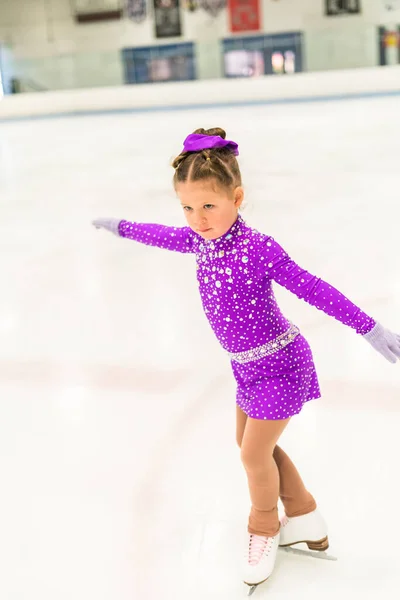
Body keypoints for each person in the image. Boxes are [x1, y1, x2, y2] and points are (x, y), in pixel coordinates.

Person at [92, 127, 400, 590]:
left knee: (253, 454)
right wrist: (121, 226)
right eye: (188, 208)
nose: (198, 218)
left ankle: (264, 527)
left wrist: (368, 327)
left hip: (280, 362)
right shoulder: (199, 241)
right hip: (247, 367)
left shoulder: (259, 249)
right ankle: (303, 514)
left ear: (237, 197)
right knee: (254, 445)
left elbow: (312, 288)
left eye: (209, 206)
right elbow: (159, 234)